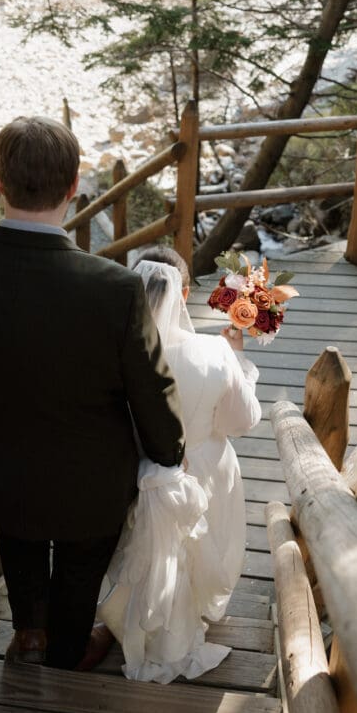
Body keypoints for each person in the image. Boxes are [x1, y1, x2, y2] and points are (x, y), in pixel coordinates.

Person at [0, 117, 185, 671]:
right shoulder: (115, 288)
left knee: (19, 535)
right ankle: (66, 654)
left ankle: (28, 635)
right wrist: (170, 454)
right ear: (74, 188)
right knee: (79, 568)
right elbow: (151, 390)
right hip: (91, 481)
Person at [97, 246, 261, 683]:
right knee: (196, 537)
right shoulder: (214, 351)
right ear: (185, 293)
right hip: (203, 469)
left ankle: (127, 610)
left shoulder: (110, 348)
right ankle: (193, 607)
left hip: (134, 469)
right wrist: (241, 363)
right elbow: (242, 421)